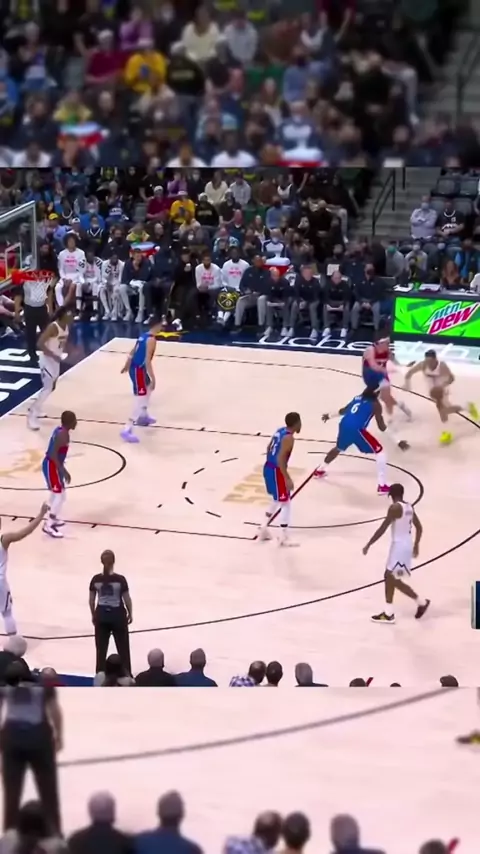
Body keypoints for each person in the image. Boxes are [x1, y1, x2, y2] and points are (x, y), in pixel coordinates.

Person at [0, 662, 63, 835]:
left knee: (11, 793)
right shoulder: (42, 688)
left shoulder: (5, 687)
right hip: (38, 737)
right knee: (48, 791)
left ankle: (9, 836)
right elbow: (54, 711)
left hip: (13, 737)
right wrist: (59, 735)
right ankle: (54, 833)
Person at [362, 483, 430, 623]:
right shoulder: (409, 507)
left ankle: (392, 613)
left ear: (390, 495)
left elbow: (383, 528)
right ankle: (418, 603)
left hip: (399, 547)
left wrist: (369, 543)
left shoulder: (394, 508)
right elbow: (419, 527)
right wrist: (416, 545)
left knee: (390, 577)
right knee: (393, 579)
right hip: (406, 546)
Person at [313, 388, 391, 494]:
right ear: (377, 393)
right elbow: (381, 426)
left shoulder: (357, 398)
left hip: (344, 425)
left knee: (339, 448)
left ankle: (319, 470)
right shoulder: (376, 405)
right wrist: (397, 440)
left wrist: (330, 416)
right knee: (380, 452)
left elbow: (344, 410)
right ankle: (382, 486)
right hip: (357, 429)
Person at [404, 349, 478, 444]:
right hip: (432, 391)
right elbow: (409, 373)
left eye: (430, 361)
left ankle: (447, 432)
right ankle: (467, 406)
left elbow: (452, 378)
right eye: (427, 361)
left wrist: (442, 386)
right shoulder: (423, 365)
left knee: (442, 410)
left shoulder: (442, 366)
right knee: (447, 409)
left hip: (442, 389)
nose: (429, 363)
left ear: (435, 359)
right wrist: (407, 385)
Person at [0, 505, 48, 636]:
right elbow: (25, 532)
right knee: (7, 613)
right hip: (0, 582)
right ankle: (13, 641)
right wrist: (41, 515)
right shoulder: (4, 539)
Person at [258, 412, 302, 546]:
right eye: (300, 422)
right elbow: (281, 459)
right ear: (296, 424)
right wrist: (286, 478)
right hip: (277, 470)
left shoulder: (280, 431)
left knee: (277, 499)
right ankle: (283, 536)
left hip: (268, 467)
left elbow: (268, 447)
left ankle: (263, 527)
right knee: (286, 502)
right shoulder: (289, 438)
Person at [27, 305, 74, 431]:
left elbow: (62, 343)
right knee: (47, 388)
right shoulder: (53, 327)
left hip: (55, 361)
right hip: (46, 360)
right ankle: (32, 416)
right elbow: (40, 343)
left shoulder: (66, 327)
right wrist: (54, 355)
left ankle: (37, 407)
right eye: (69, 314)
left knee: (51, 387)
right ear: (62, 316)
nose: (72, 317)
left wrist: (69, 350)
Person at [89, 550, 132, 676]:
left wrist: (93, 615)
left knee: (101, 651)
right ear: (114, 561)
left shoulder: (96, 579)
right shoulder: (120, 579)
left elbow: (91, 600)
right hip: (117, 615)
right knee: (123, 650)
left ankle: (100, 676)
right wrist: (130, 613)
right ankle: (127, 675)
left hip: (102, 615)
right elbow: (127, 598)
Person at [362, 337, 413, 444]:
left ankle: (391, 421)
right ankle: (400, 405)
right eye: (386, 343)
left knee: (386, 398)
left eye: (388, 343)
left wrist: (402, 367)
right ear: (379, 343)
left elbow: (394, 361)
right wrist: (392, 370)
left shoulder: (388, 351)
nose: (388, 345)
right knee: (385, 398)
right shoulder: (370, 350)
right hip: (369, 377)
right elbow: (373, 366)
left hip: (382, 376)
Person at [120, 316, 163, 443]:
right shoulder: (151, 340)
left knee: (148, 387)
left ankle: (143, 416)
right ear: (157, 325)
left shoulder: (143, 336)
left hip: (136, 368)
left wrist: (126, 365)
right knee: (140, 398)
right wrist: (154, 378)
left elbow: (132, 352)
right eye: (161, 325)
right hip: (139, 370)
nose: (162, 327)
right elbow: (148, 361)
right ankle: (127, 429)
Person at [42, 411, 78, 538]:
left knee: (59, 495)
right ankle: (48, 524)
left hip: (54, 465)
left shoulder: (61, 431)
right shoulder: (63, 435)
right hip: (52, 466)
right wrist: (63, 470)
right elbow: (53, 454)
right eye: (74, 420)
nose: (76, 422)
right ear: (69, 422)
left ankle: (52, 516)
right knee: (59, 495)